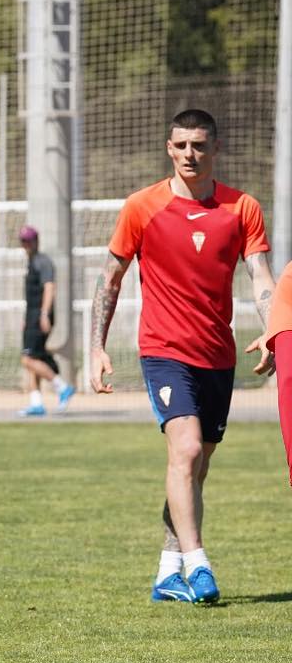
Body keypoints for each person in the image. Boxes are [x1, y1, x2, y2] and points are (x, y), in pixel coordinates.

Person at [89, 108, 275, 605]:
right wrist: (96, 347)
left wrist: (275, 328)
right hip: (163, 351)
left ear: (216, 148)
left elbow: (260, 276)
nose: (189, 154)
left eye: (198, 145)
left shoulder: (243, 208)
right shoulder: (141, 206)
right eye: (180, 145)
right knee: (186, 449)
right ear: (168, 148)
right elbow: (110, 279)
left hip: (218, 355)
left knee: (194, 469)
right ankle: (198, 563)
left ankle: (168, 569)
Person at [15, 225, 75, 417]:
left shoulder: (43, 262)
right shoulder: (31, 262)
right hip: (31, 316)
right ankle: (36, 403)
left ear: (36, 241)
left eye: (29, 240)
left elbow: (49, 288)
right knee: (36, 356)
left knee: (28, 359)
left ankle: (62, 386)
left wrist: (43, 314)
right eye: (23, 241)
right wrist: (26, 318)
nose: (26, 244)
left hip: (39, 316)